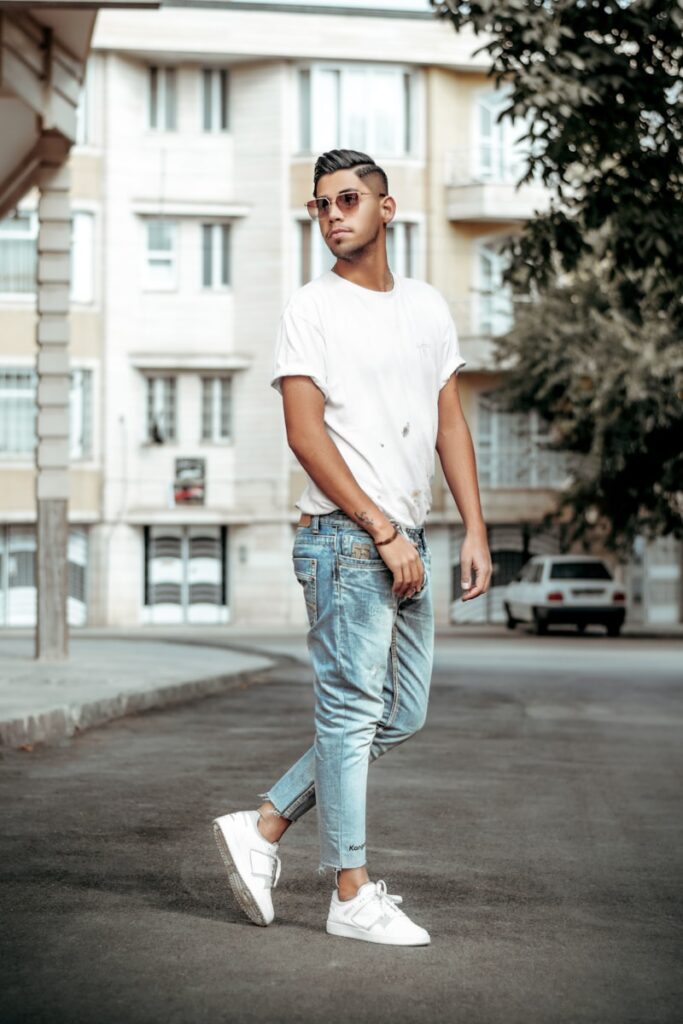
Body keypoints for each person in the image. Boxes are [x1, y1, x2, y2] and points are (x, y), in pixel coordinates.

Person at [213, 148, 492, 946]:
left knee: (397, 714)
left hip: (406, 538)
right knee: (348, 713)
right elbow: (305, 435)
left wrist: (472, 528)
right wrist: (378, 528)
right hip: (345, 541)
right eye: (320, 206)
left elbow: (448, 425)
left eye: (346, 200)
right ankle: (349, 891)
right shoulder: (311, 309)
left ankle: (264, 825)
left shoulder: (427, 309)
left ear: (385, 208)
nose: (333, 215)